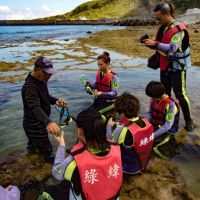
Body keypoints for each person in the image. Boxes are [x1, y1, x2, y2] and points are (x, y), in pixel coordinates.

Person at [143, 2, 195, 131]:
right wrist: (152, 44)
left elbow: (172, 47)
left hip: (177, 68)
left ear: (167, 14)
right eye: (156, 18)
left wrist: (155, 43)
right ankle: (167, 120)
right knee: (164, 94)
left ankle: (188, 120)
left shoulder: (179, 30)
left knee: (180, 94)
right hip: (165, 67)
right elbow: (160, 45)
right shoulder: (163, 28)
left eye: (159, 18)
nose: (157, 21)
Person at [50, 110, 122, 200]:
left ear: (79, 132)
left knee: (50, 191)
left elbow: (56, 173)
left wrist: (61, 145)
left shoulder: (74, 162)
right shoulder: (116, 149)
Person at [21, 56, 66, 163]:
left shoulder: (41, 80)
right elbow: (34, 107)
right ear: (37, 69)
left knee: (34, 146)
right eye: (46, 73)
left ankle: (31, 158)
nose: (48, 76)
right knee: (47, 150)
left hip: (39, 122)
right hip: (34, 125)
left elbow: (45, 96)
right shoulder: (30, 87)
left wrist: (55, 101)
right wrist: (48, 122)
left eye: (50, 73)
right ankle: (52, 168)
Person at [107, 92, 154, 174]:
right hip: (143, 163)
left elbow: (109, 142)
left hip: (129, 168)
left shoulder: (123, 129)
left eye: (119, 113)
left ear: (122, 113)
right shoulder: (146, 121)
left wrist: (109, 126)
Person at [145, 81, 180, 159]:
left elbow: (167, 126)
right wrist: (147, 125)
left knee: (154, 146)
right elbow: (150, 113)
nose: (151, 98)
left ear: (157, 95)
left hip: (168, 130)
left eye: (152, 97)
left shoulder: (170, 105)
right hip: (156, 125)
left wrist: (152, 136)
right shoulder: (153, 100)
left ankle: (164, 158)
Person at [85, 51, 119, 116]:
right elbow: (95, 84)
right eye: (98, 64)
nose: (99, 67)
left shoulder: (114, 77)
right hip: (99, 100)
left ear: (107, 63)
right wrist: (88, 85)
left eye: (101, 65)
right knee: (86, 114)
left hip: (109, 102)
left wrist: (102, 93)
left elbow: (115, 92)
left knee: (94, 115)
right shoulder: (100, 73)